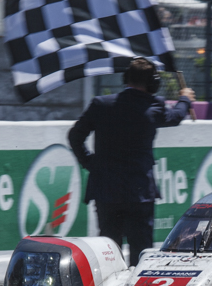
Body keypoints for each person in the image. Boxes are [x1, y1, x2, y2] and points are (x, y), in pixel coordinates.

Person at [68, 58, 195, 267]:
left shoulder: (101, 104)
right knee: (141, 251)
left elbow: (75, 136)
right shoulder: (154, 105)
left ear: (126, 78)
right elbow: (176, 116)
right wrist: (185, 99)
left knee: (109, 249)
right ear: (153, 83)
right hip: (139, 192)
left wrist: (90, 163)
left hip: (106, 189)